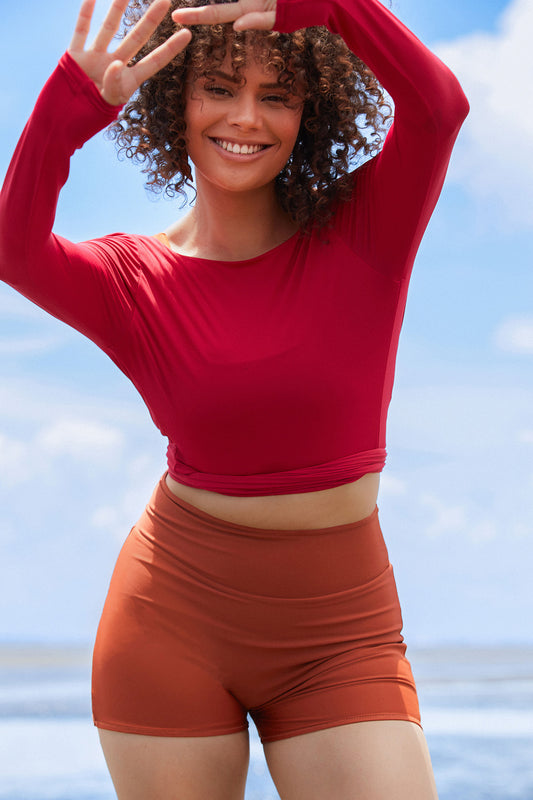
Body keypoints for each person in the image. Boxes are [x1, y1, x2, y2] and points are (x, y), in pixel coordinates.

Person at [0, 0, 469, 796]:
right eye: (218, 88)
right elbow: (14, 249)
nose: (246, 118)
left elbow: (438, 108)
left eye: (277, 95)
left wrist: (325, 6)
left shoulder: (365, 230)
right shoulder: (130, 280)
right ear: (176, 103)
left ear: (307, 113)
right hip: (171, 621)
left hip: (340, 631)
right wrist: (68, 112)